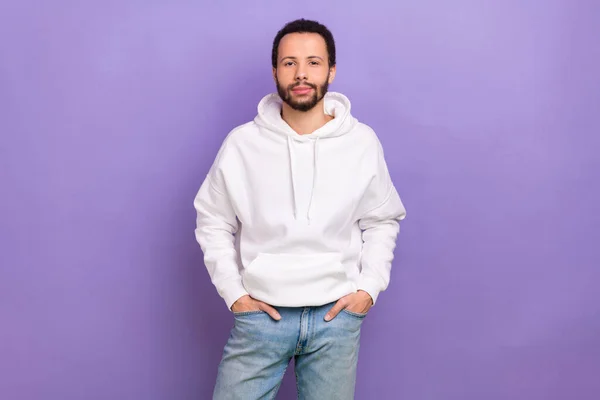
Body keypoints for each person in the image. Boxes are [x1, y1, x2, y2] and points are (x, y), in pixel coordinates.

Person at [194, 18, 407, 400]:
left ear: (331, 70)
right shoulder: (242, 143)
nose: (301, 74)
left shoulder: (361, 142)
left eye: (313, 62)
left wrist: (368, 289)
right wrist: (234, 294)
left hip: (336, 319)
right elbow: (212, 220)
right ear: (275, 71)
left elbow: (381, 219)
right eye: (289, 63)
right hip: (261, 317)